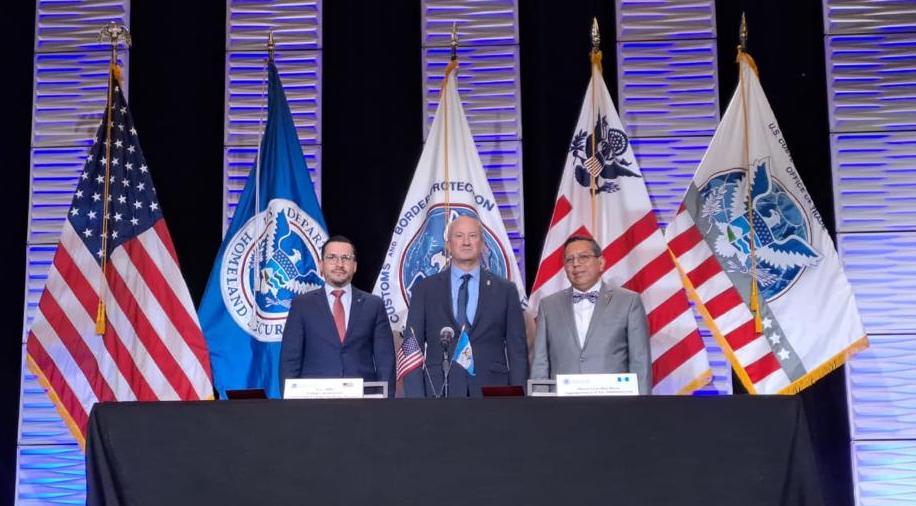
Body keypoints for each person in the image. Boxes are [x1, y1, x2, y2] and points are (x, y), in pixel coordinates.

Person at [403, 215, 528, 397]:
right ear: (448, 244)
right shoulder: (425, 289)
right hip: (439, 391)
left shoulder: (506, 290)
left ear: (483, 244)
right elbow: (411, 345)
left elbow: (517, 350)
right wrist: (415, 398)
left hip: (492, 392)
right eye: (459, 236)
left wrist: (519, 398)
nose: (466, 242)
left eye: (473, 236)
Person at [531, 235, 652, 394]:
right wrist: (540, 406)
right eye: (569, 260)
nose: (576, 264)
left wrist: (640, 407)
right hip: (561, 406)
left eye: (583, 257)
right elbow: (540, 362)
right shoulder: (548, 306)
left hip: (614, 404)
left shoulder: (628, 301)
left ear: (601, 263)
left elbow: (640, 361)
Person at [280, 236, 395, 396]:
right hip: (314, 402)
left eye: (346, 258)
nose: (339, 264)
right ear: (321, 265)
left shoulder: (373, 305)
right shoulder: (301, 305)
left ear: (354, 266)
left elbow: (385, 361)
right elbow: (290, 360)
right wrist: (290, 404)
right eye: (332, 257)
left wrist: (386, 401)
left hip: (364, 404)